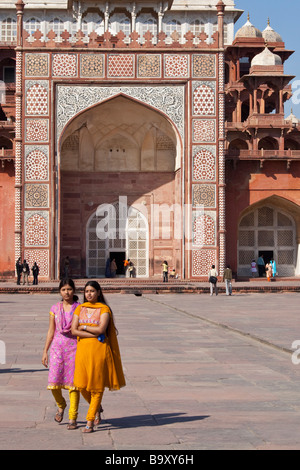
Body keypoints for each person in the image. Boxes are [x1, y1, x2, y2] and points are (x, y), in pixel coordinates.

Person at [71, 281, 126, 433]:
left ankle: (90, 420)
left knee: (96, 387)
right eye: (87, 291)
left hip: (99, 351)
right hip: (83, 351)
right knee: (81, 385)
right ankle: (96, 406)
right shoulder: (80, 309)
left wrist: (84, 327)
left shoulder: (104, 309)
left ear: (98, 293)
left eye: (92, 291)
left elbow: (101, 329)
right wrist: (91, 332)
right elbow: (73, 331)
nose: (89, 294)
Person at [42, 279, 81, 430]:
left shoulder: (79, 308)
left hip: (74, 348)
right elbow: (51, 330)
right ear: (60, 291)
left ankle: (73, 417)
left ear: (74, 290)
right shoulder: (55, 308)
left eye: (69, 289)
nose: (67, 292)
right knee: (53, 383)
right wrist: (45, 350)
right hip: (57, 348)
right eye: (64, 289)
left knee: (73, 385)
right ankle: (61, 405)